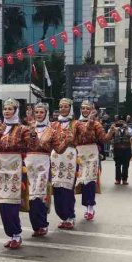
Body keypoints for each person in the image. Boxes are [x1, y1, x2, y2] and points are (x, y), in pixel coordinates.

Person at [0, 98, 38, 249]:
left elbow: (33, 146)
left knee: (12, 202)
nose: (7, 111)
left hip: (15, 167)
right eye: (5, 109)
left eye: (10, 109)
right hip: (1, 167)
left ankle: (16, 234)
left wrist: (33, 131)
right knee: (2, 202)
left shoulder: (22, 129)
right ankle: (11, 233)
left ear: (16, 111)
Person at [25, 102, 55, 237]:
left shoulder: (51, 129)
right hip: (29, 163)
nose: (39, 115)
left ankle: (42, 224)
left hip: (43, 163)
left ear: (46, 113)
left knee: (40, 195)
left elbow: (48, 146)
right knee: (30, 196)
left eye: (41, 112)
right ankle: (35, 226)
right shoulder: (28, 128)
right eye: (36, 112)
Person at [75, 101, 108, 221]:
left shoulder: (96, 124)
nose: (84, 111)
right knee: (82, 181)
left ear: (91, 110)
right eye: (83, 108)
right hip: (79, 153)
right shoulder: (75, 123)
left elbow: (104, 139)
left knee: (90, 181)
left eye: (87, 109)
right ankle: (86, 205)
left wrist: (112, 132)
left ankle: (90, 207)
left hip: (92, 152)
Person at [49, 98, 79, 229]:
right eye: (61, 107)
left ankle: (70, 216)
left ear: (71, 108)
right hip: (55, 158)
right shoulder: (54, 125)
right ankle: (62, 215)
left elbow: (85, 136)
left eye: (66, 107)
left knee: (67, 188)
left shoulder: (76, 124)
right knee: (57, 188)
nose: (63, 109)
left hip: (69, 158)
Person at [109, 117, 132, 185]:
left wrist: (126, 128)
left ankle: (124, 179)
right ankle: (117, 179)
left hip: (127, 148)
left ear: (125, 123)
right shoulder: (114, 129)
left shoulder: (129, 129)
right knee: (117, 164)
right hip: (117, 148)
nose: (121, 124)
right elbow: (109, 135)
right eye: (119, 122)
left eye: (122, 122)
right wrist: (112, 128)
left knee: (126, 164)